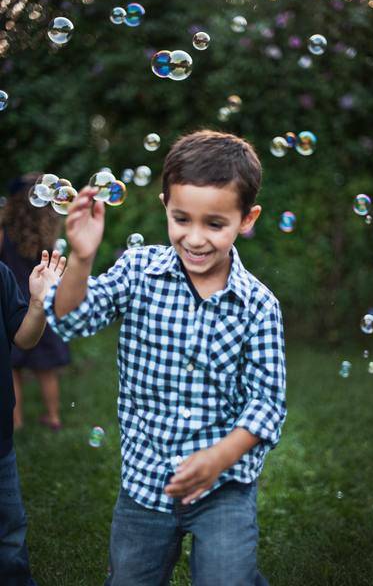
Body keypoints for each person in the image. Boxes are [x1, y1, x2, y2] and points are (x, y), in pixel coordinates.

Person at [44, 130, 287, 586]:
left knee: (226, 579)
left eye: (214, 224)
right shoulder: (139, 271)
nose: (195, 239)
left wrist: (219, 457)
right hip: (144, 482)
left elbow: (267, 404)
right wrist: (81, 257)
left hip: (224, 489)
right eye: (181, 219)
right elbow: (73, 320)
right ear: (165, 207)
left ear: (247, 218)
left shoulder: (259, 305)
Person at [0, 249, 66, 585]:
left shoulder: (0, 274)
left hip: (0, 440)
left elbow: (24, 338)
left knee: (9, 534)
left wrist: (39, 303)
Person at [0, 174, 70, 431]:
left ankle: (15, 420)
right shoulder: (47, 234)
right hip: (42, 301)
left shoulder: (5, 233)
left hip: (14, 301)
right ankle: (53, 416)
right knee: (46, 367)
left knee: (12, 367)